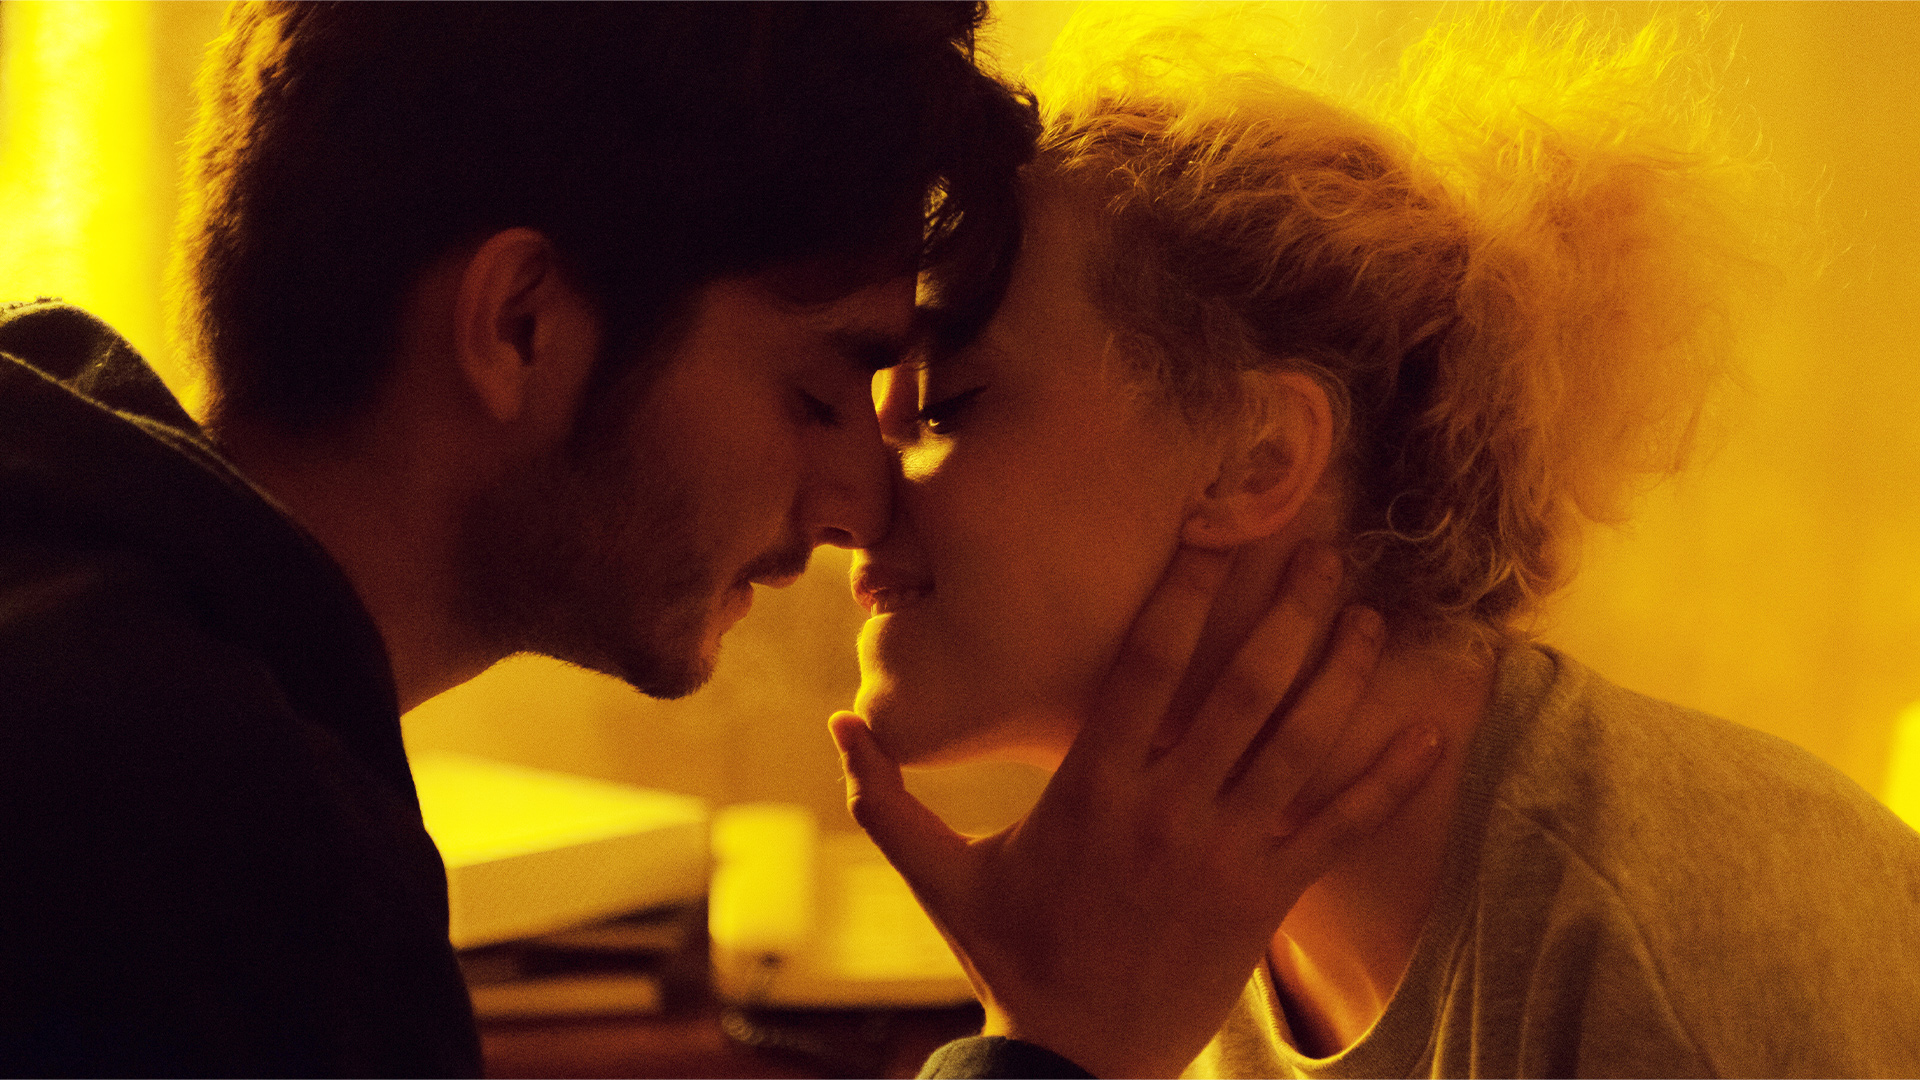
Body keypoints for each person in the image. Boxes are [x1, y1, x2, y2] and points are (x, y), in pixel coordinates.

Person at [0, 3, 1436, 1076]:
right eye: (818, 392)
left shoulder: (81, 594)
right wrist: (1058, 1050)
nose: (860, 504)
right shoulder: (203, 851)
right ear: (522, 326)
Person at [831, 8, 1920, 1078]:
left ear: (1258, 458)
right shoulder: (1153, 954)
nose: (854, 501)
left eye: (945, 408)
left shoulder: (1679, 944)